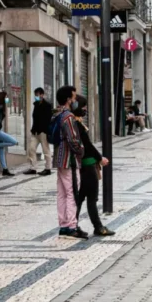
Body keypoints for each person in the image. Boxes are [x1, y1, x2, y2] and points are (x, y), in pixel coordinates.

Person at [71, 95, 116, 237]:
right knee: (91, 198)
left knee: (80, 198)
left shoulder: (73, 123)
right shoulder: (77, 125)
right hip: (89, 166)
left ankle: (73, 225)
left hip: (82, 165)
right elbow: (88, 145)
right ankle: (98, 227)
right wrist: (100, 158)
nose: (85, 109)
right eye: (83, 106)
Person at [53, 85, 88, 239]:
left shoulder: (57, 114)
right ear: (68, 99)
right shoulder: (68, 117)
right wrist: (81, 151)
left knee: (62, 193)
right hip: (70, 160)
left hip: (60, 158)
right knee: (72, 193)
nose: (75, 101)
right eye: (73, 98)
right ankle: (71, 226)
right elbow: (73, 139)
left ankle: (63, 225)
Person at [26, 87, 54, 176]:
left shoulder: (47, 105)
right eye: (35, 95)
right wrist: (33, 130)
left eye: (37, 95)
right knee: (31, 149)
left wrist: (44, 130)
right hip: (35, 131)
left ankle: (48, 168)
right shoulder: (36, 104)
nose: (36, 97)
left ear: (42, 95)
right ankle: (33, 168)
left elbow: (48, 119)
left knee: (46, 150)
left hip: (43, 132)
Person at [0, 91, 19, 176]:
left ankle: (5, 169)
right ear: (2, 98)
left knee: (1, 150)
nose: (7, 99)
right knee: (14, 142)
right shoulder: (0, 106)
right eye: (6, 97)